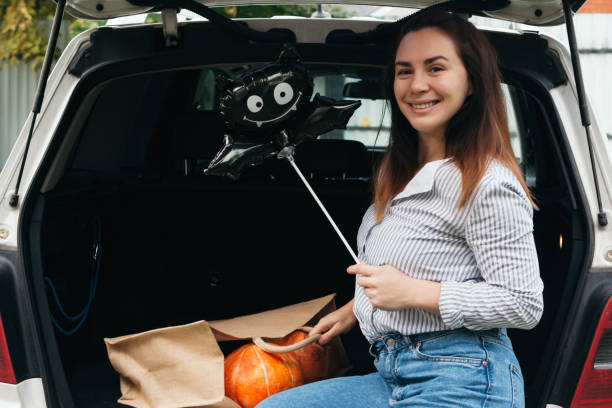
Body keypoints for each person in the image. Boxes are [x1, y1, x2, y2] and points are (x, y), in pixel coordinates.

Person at [256, 8, 543, 408]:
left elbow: (523, 304)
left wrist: (414, 293)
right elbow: (424, 264)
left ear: (473, 81)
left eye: (436, 68)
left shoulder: (487, 183)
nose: (417, 85)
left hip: (465, 376)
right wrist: (356, 310)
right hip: (394, 373)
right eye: (404, 71)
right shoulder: (400, 175)